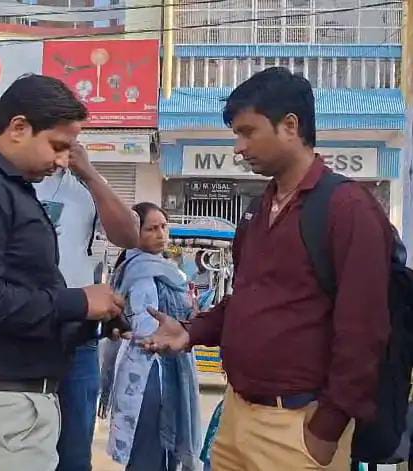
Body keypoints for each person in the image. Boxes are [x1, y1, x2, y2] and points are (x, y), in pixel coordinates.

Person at [140, 68, 392, 471]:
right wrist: (191, 332)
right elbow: (248, 298)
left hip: (298, 428)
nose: (239, 148)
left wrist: (325, 428)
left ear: (290, 126)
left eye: (247, 132)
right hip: (237, 416)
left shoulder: (347, 209)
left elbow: (365, 329)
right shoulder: (258, 210)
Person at [0, 74, 125, 471]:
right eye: (57, 146)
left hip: (18, 401)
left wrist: (91, 319)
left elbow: (24, 286)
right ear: (18, 127)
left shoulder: (6, 187)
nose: (63, 161)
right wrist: (79, 302)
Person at [34, 142, 138, 471]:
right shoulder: (10, 182)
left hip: (78, 335)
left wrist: (90, 174)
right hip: (21, 330)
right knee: (23, 452)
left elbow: (130, 235)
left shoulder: (84, 187)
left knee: (75, 454)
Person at [100, 202, 201, 471]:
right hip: (149, 372)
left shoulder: (169, 270)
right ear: (135, 233)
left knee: (158, 453)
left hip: (164, 365)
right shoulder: (141, 272)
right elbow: (147, 328)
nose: (160, 234)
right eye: (151, 229)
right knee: (150, 451)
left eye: (164, 227)